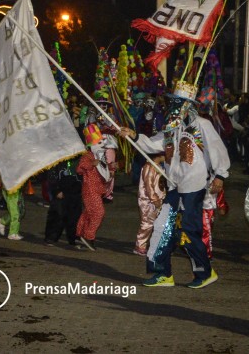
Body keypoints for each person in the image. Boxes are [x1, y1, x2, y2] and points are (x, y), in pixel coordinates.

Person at [121, 79, 230, 288]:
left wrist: (220, 176)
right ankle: (163, 273)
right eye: (173, 102)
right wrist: (134, 136)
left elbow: (217, 149)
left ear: (188, 105)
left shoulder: (202, 125)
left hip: (194, 186)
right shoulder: (171, 128)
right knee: (163, 226)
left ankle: (205, 273)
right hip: (174, 185)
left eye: (178, 103)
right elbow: (154, 143)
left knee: (188, 230)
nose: (173, 107)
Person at [75, 124, 118, 251]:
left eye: (102, 142)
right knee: (99, 212)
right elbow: (79, 169)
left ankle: (80, 235)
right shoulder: (87, 156)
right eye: (98, 142)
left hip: (99, 189)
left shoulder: (101, 155)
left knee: (88, 213)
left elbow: (104, 169)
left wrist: (112, 167)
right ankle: (89, 236)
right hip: (90, 189)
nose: (102, 145)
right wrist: (91, 164)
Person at [44, 158, 83, 247]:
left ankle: (73, 238)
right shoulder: (58, 160)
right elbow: (52, 175)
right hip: (61, 189)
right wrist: (56, 190)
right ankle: (51, 237)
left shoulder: (80, 159)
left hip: (75, 190)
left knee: (74, 216)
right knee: (58, 214)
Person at [134, 155, 165, 256]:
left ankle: (154, 244)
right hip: (148, 201)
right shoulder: (149, 167)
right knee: (147, 223)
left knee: (157, 223)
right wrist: (154, 199)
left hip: (157, 199)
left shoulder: (158, 166)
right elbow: (148, 185)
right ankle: (140, 245)